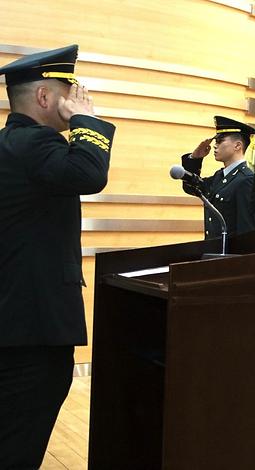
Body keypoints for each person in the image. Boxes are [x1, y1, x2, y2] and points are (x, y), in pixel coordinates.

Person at [0, 45, 115, 468]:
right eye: (69, 92)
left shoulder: (10, 144)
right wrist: (86, 120)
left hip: (16, 323)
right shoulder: (34, 143)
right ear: (45, 98)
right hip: (32, 330)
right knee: (17, 446)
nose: (77, 99)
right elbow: (88, 173)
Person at [181, 116, 255, 239]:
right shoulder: (220, 176)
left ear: (237, 146)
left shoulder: (246, 179)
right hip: (214, 251)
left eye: (220, 141)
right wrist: (195, 158)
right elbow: (191, 188)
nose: (215, 146)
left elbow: (246, 231)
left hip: (229, 255)